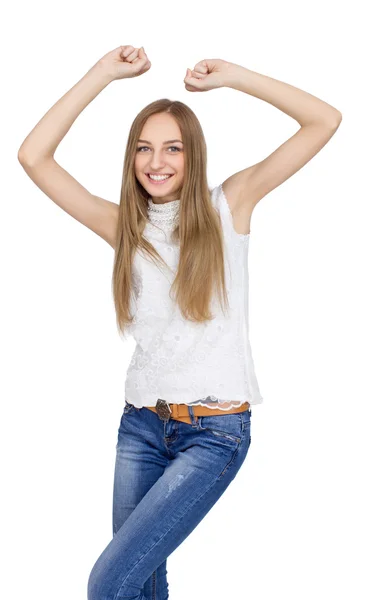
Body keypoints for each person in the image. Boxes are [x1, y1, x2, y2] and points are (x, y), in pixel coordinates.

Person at [18, 45, 342, 600]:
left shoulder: (230, 205)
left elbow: (324, 120)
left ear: (194, 155)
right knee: (141, 583)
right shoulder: (124, 227)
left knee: (108, 584)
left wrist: (234, 76)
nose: (156, 161)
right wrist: (102, 74)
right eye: (143, 149)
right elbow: (34, 158)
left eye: (172, 147)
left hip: (214, 435)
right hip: (140, 427)